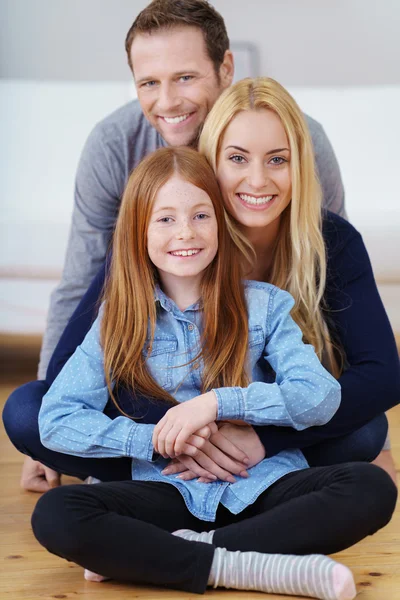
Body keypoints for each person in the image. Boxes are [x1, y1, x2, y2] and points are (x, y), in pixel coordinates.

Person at [2, 0, 348, 493]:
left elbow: (329, 265)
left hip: (253, 377)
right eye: (149, 82)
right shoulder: (112, 144)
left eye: (185, 77)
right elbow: (82, 283)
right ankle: (195, 467)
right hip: (150, 388)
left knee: (362, 431)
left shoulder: (297, 139)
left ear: (225, 68)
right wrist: (57, 419)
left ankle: (189, 476)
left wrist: (265, 426)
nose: (167, 102)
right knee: (27, 413)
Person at [31, 146, 396, 599]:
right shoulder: (116, 319)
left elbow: (320, 396)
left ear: (220, 225)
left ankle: (185, 556)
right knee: (56, 514)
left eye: (201, 215)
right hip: (170, 486)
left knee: (369, 488)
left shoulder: (265, 306)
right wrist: (151, 441)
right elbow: (56, 418)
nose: (186, 232)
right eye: (165, 219)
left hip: (261, 483)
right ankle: (255, 566)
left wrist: (221, 403)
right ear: (137, 231)